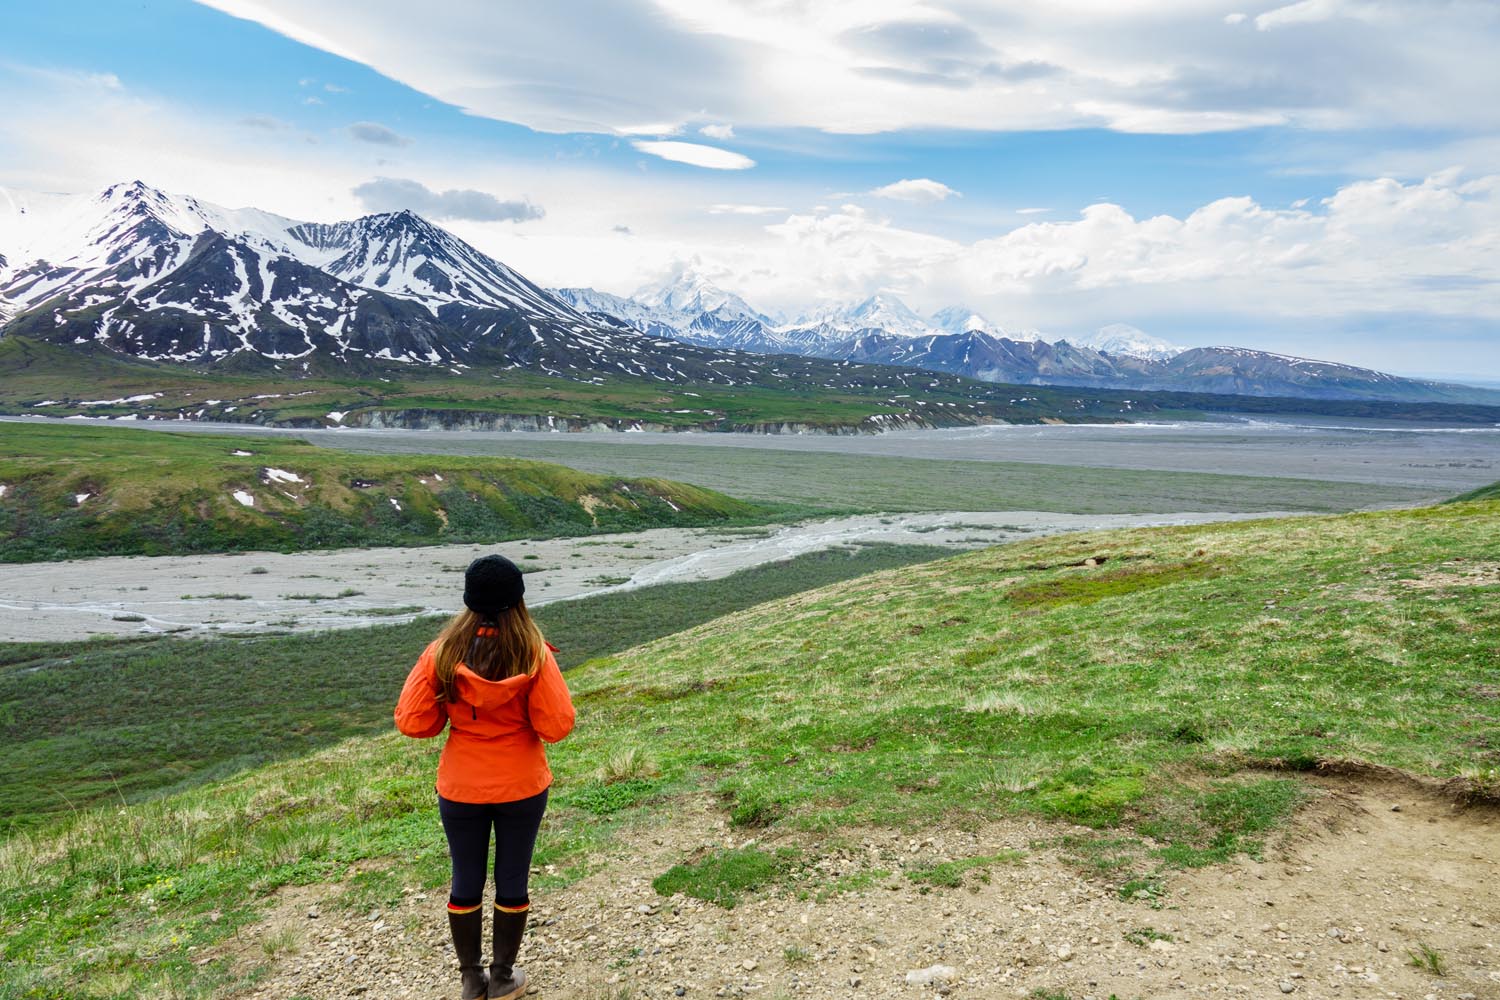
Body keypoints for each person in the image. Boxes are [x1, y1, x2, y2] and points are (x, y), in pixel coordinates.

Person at [395, 553, 575, 1000]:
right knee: (512, 878)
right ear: (518, 599)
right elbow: (557, 726)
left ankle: (471, 980)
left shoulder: (441, 653)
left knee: (465, 876)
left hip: (460, 786)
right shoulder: (533, 653)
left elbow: (413, 722)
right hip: (521, 784)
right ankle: (503, 978)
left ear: (470, 600)